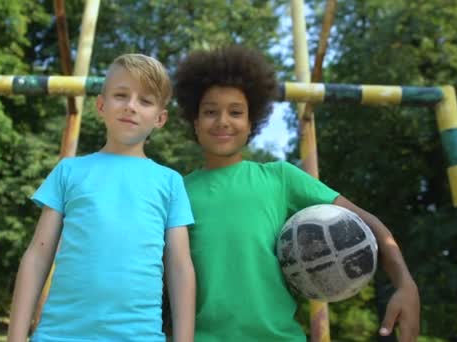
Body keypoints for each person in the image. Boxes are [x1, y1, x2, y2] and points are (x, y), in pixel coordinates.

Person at [172, 45, 420, 342]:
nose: (223, 120)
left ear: (251, 124)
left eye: (235, 112)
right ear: (195, 122)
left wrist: (406, 285)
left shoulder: (280, 177)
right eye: (210, 112)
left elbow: (371, 224)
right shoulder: (175, 191)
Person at [8, 53, 196, 342]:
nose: (131, 106)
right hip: (58, 335)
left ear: (160, 118)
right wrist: (16, 337)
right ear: (100, 105)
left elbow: (180, 268)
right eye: (121, 95)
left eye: (145, 100)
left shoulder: (170, 182)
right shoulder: (69, 170)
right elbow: (37, 256)